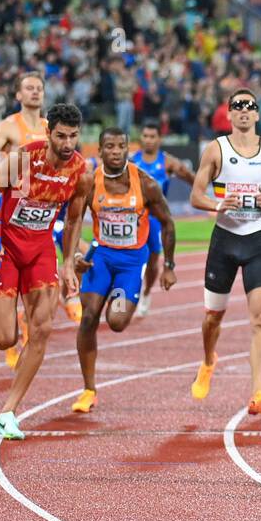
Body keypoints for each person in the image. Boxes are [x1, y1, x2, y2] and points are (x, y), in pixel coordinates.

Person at [0, 103, 93, 440]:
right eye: (61, 135)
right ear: (49, 133)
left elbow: (73, 220)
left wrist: (69, 260)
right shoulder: (23, 159)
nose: (68, 142)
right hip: (4, 247)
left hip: (41, 249)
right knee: (5, 339)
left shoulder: (81, 172)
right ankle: (6, 300)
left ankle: (8, 412)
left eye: (73, 136)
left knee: (42, 329)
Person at [188, 88, 261, 415]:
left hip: (258, 242)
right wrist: (218, 204)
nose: (244, 111)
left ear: (257, 114)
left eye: (250, 106)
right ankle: (209, 360)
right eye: (238, 106)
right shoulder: (216, 149)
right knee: (213, 317)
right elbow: (196, 195)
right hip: (224, 241)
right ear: (230, 113)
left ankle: (258, 393)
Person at [69, 128, 176, 413]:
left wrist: (168, 266)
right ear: (100, 151)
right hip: (100, 257)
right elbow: (75, 218)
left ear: (128, 149)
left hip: (131, 262)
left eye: (121, 146)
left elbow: (168, 223)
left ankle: (128, 293)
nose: (115, 151)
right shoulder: (91, 182)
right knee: (89, 317)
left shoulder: (146, 184)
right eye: (109, 146)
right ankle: (88, 389)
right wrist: (74, 256)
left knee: (115, 322)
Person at [129, 122, 195, 317]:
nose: (148, 140)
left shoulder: (167, 163)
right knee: (131, 260)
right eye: (145, 136)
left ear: (159, 139)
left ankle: (146, 293)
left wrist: (199, 193)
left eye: (152, 136)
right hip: (135, 219)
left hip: (156, 220)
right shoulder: (132, 162)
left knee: (152, 261)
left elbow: (192, 178)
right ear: (141, 138)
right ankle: (130, 296)